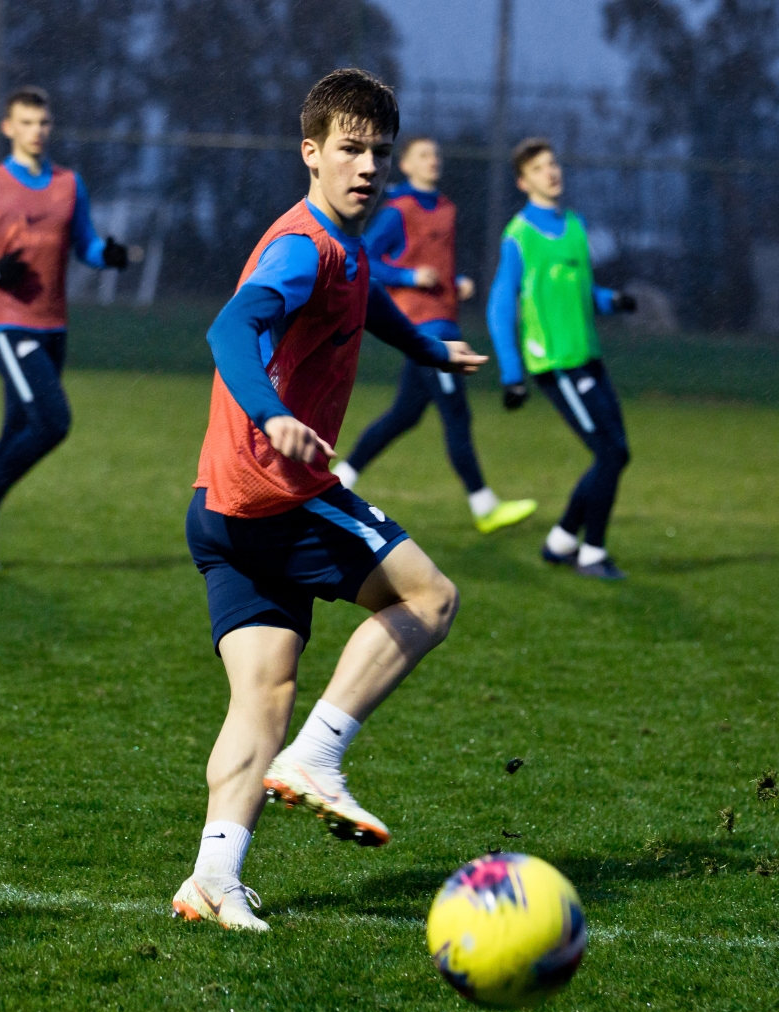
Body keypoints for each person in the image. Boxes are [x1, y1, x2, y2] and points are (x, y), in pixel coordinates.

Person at [171, 70, 487, 933]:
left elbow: (367, 298)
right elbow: (230, 328)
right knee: (432, 596)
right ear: (310, 152)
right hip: (277, 494)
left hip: (219, 506)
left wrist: (424, 346)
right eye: (349, 149)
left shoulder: (339, 249)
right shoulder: (302, 247)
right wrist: (272, 415)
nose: (367, 166)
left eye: (378, 152)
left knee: (262, 694)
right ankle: (321, 754)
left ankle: (212, 877)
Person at [0, 86, 133, 569]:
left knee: (18, 429)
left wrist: (106, 256)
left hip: (52, 323)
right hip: (6, 321)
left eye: (43, 123)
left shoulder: (69, 183)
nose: (37, 132)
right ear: (8, 127)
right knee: (52, 421)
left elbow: (83, 243)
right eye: (26, 122)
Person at [333, 138, 537, 535]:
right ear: (406, 164)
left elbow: (438, 261)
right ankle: (484, 505)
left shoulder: (446, 208)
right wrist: (409, 277)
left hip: (446, 320)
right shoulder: (398, 210)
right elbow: (365, 257)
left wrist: (454, 280)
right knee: (457, 414)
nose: (434, 161)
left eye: (437, 155)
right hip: (423, 328)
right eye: (424, 155)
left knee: (404, 415)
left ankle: (341, 477)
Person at [488, 138, 638, 581]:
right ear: (523, 181)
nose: (551, 172)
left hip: (588, 358)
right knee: (610, 454)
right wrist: (512, 375)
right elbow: (501, 307)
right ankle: (592, 552)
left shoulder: (575, 225)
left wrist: (611, 301)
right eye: (538, 168)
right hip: (556, 365)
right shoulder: (519, 236)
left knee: (616, 454)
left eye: (553, 164)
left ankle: (560, 541)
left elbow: (578, 291)